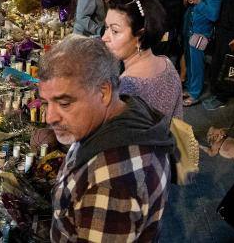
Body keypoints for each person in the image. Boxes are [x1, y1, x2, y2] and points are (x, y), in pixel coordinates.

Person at [40, 36, 174, 243]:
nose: (50, 117)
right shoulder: (128, 110)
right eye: (46, 103)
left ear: (104, 92)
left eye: (64, 103)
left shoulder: (108, 185)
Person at [103, 0, 184, 120]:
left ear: (139, 36)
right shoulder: (167, 64)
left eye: (115, 31)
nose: (104, 37)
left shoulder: (125, 88)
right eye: (106, 27)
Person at [182, 0, 221, 106]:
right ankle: (191, 88)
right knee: (191, 62)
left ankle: (195, 94)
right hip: (193, 30)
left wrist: (199, 2)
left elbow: (213, 15)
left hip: (201, 33)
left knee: (197, 64)